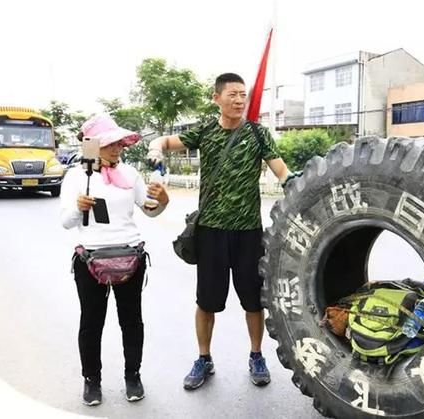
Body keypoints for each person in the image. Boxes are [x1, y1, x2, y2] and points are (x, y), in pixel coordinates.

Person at [147, 73, 297, 390]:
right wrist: (156, 148)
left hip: (248, 233)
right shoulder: (205, 132)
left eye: (243, 94)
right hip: (211, 232)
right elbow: (165, 142)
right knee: (207, 301)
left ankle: (256, 355)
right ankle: (204, 358)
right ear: (217, 98)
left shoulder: (257, 134)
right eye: (232, 94)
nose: (239, 100)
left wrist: (301, 192)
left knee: (253, 302)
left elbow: (282, 172)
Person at [60, 114, 169, 406]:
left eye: (119, 143)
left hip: (130, 256)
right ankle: (91, 381)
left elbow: (150, 210)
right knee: (91, 323)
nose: (117, 148)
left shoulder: (130, 174)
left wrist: (162, 201)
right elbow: (66, 222)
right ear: (93, 146)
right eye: (109, 143)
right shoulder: (77, 177)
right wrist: (77, 207)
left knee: (131, 321)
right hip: (90, 260)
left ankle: (133, 376)